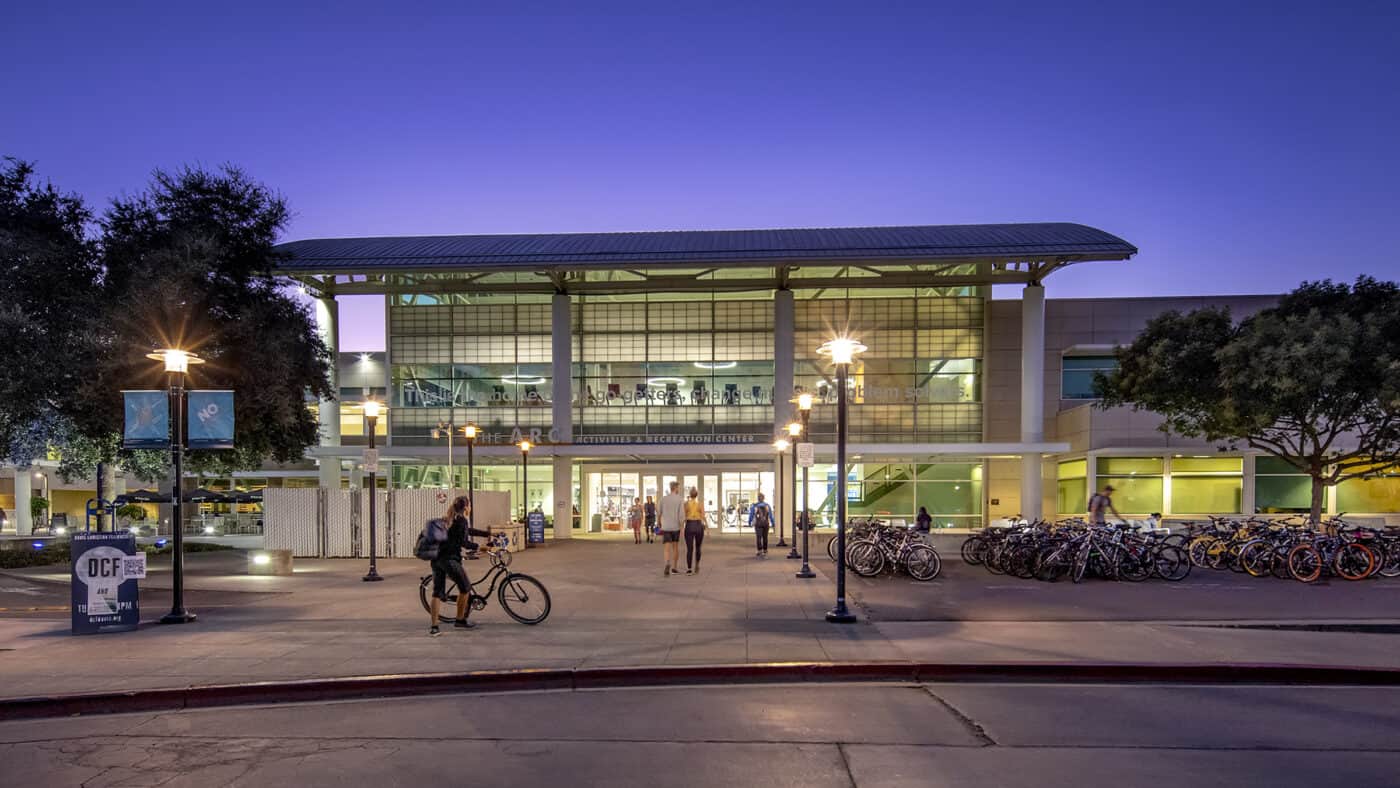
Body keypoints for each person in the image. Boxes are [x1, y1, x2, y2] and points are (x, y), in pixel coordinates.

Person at [428, 495, 492, 637]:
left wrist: (486, 533)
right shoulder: (461, 520)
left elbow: (466, 531)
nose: (470, 508)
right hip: (450, 560)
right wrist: (480, 547)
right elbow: (464, 542)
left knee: (437, 593)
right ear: (466, 507)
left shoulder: (449, 518)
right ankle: (460, 620)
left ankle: (434, 627)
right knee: (465, 588)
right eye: (470, 505)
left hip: (437, 559)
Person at [659, 481, 684, 576]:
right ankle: (674, 567)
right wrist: (682, 527)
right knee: (675, 547)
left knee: (666, 548)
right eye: (678, 488)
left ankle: (667, 563)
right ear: (676, 488)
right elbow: (681, 515)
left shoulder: (663, 499)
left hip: (666, 527)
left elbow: (659, 512)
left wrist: (659, 522)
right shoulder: (680, 499)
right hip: (675, 527)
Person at [683, 487, 706, 574]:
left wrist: (682, 527)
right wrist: (707, 528)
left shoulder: (686, 504)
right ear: (696, 495)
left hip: (689, 525)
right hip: (698, 525)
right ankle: (697, 564)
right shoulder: (700, 504)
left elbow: (684, 516)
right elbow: (703, 516)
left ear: (690, 494)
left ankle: (689, 569)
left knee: (689, 548)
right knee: (698, 547)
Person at [748, 492, 774, 557]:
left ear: (758, 498)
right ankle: (765, 550)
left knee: (758, 537)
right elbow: (770, 515)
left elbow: (751, 515)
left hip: (758, 524)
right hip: (766, 524)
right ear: (763, 498)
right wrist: (773, 522)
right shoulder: (767, 506)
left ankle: (759, 550)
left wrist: (749, 522)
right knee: (765, 537)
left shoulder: (754, 506)